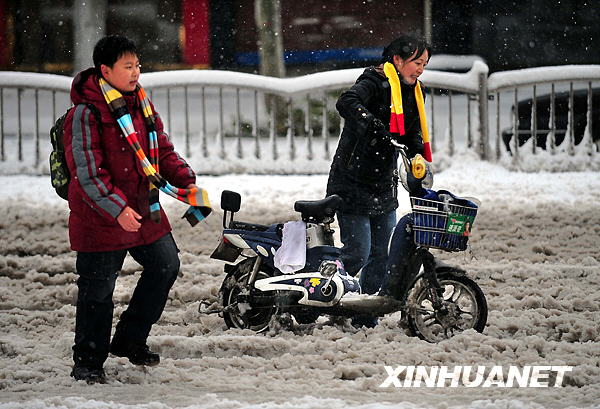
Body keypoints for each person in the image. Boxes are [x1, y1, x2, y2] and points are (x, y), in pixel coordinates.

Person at [63, 35, 210, 384]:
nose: (135, 72)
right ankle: (88, 362)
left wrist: (186, 181)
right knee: (98, 291)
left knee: (165, 265)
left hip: (145, 210)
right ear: (105, 70)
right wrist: (116, 209)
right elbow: (87, 172)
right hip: (100, 217)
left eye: (137, 65)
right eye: (127, 66)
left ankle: (130, 339)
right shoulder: (85, 114)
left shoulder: (141, 103)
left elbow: (163, 150)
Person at [326, 34, 432, 327]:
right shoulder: (375, 81)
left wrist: (418, 156)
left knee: (381, 256)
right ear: (397, 60)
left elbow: (411, 135)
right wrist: (373, 125)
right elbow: (346, 101)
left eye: (424, 64)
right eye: (416, 62)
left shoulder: (413, 92)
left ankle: (364, 315)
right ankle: (323, 293)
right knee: (357, 253)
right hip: (352, 182)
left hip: (383, 184)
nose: (420, 69)